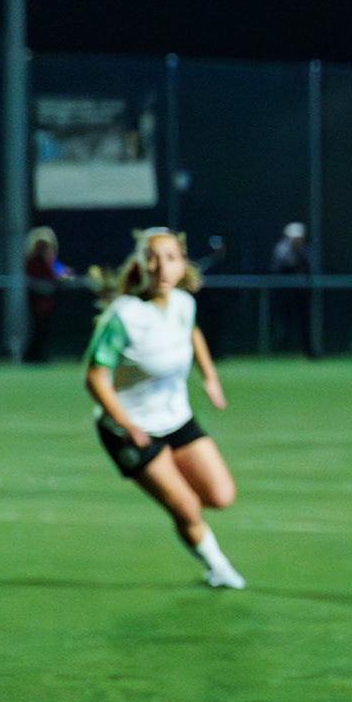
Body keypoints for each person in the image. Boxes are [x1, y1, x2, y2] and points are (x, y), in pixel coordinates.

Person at [84, 228, 245, 589]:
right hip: (128, 430)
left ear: (181, 265)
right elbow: (94, 379)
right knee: (187, 507)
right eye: (151, 257)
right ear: (140, 264)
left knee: (221, 496)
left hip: (176, 420)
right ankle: (218, 568)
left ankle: (186, 512)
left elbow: (192, 332)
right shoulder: (123, 317)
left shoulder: (184, 305)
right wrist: (126, 425)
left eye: (170, 257)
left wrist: (210, 377)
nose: (160, 266)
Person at [22, 227, 75, 364]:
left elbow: (61, 272)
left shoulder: (49, 257)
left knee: (44, 327)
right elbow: (43, 274)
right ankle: (31, 356)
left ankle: (37, 355)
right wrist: (57, 277)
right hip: (37, 295)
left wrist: (65, 275)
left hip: (48, 296)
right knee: (39, 326)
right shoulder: (33, 258)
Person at [270, 221, 316, 358]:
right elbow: (281, 271)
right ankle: (277, 352)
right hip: (284, 295)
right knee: (284, 325)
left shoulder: (302, 251)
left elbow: (306, 269)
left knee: (304, 324)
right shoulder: (282, 251)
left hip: (300, 294)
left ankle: (308, 352)